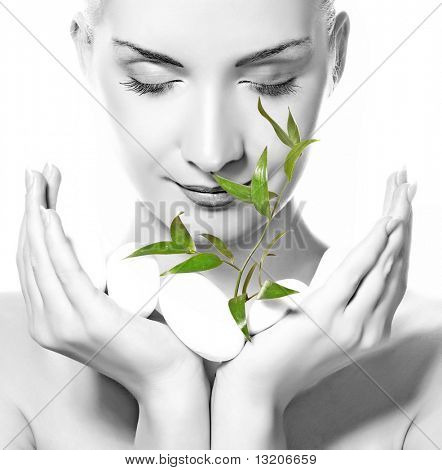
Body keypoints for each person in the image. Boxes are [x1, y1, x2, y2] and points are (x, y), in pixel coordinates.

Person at [1, 0, 441, 450]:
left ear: (336, 55)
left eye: (272, 82)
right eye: (152, 82)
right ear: (84, 54)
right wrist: (169, 389)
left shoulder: (430, 373)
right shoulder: (9, 365)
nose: (213, 153)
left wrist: (251, 401)